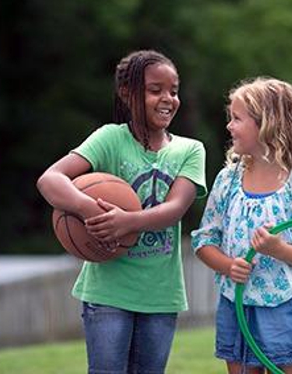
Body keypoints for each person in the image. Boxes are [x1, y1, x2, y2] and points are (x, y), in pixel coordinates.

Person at [37, 50, 206, 374]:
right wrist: (87, 209)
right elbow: (50, 179)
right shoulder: (110, 139)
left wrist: (126, 222)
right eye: (155, 90)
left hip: (160, 294)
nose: (168, 98)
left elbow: (175, 208)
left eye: (174, 90)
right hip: (107, 292)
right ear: (127, 94)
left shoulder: (190, 149)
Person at [191, 77, 292, 374]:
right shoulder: (227, 180)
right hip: (236, 302)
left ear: (266, 124)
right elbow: (203, 241)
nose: (229, 126)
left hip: (283, 307)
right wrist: (228, 265)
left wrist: (280, 249)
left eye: (236, 119)